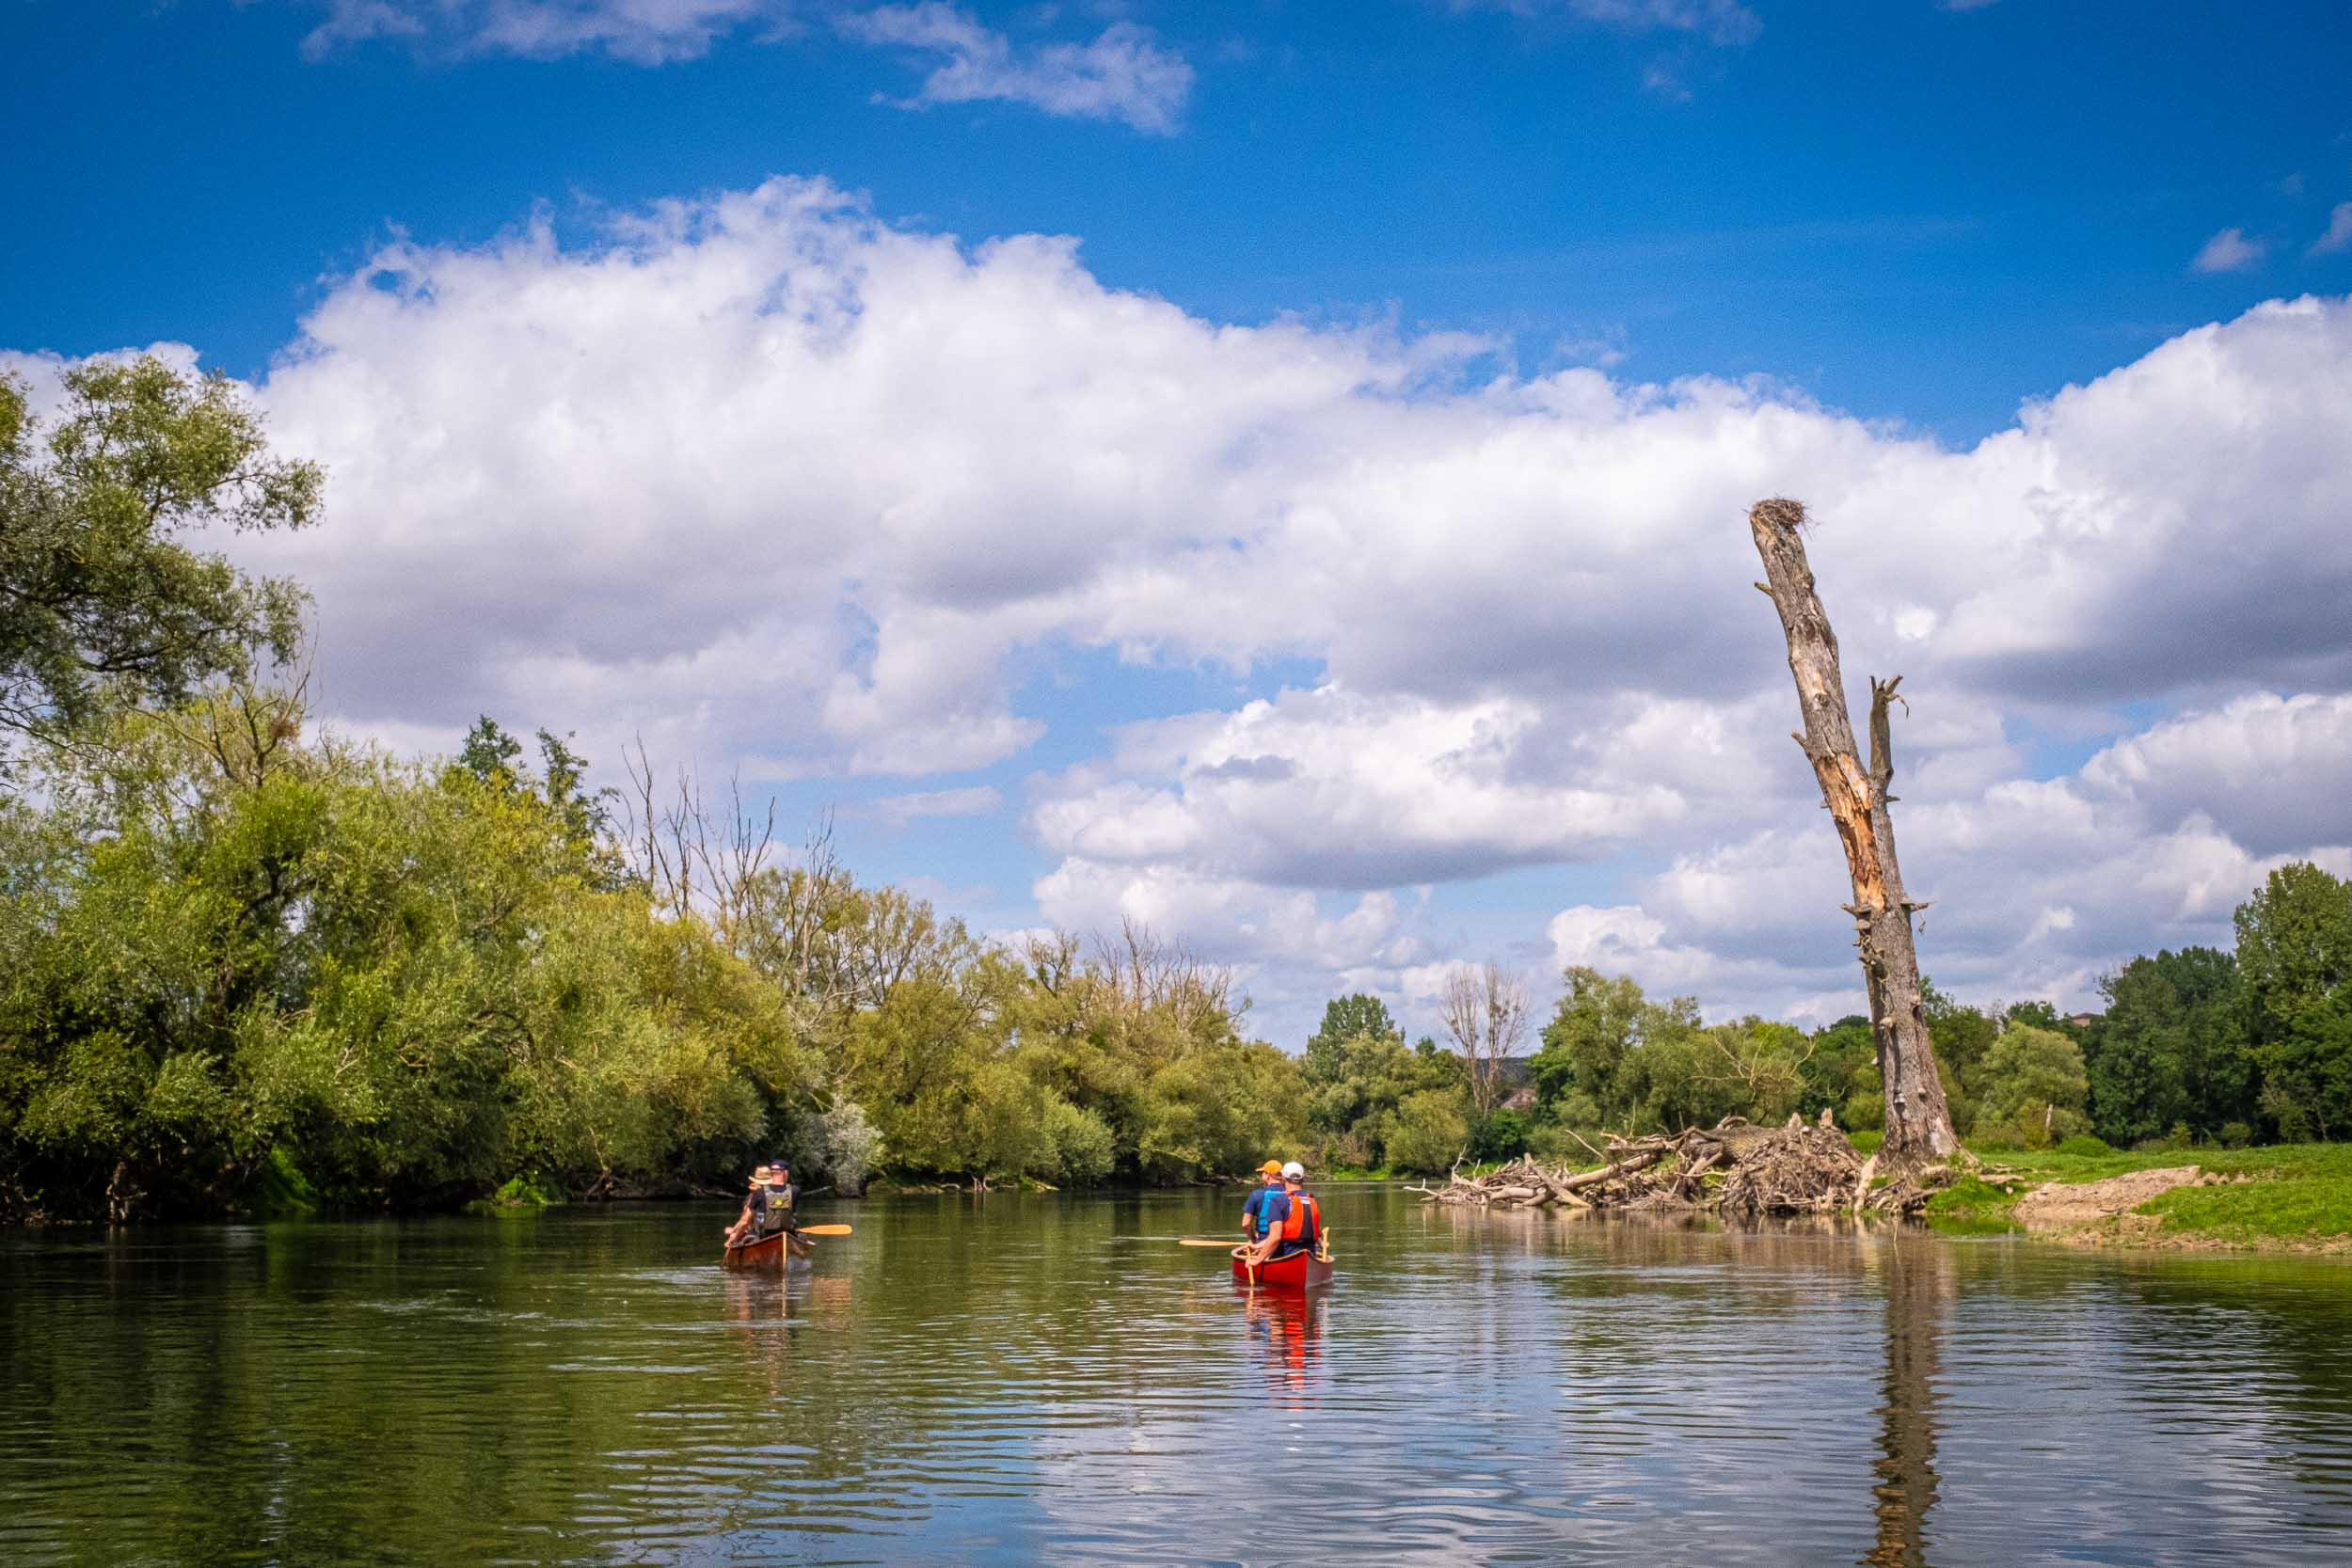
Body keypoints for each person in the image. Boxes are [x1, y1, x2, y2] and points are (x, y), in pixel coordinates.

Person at [1248, 1162, 1321, 1265]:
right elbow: (1315, 1234)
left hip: (1286, 1255)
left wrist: (1257, 1260)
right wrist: (1257, 1246)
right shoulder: (1311, 1200)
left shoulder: (1278, 1201)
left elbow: (1275, 1237)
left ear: (1283, 1178)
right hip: (1310, 1254)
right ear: (1302, 1179)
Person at [723, 1164, 772, 1246]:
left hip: (760, 1234)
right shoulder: (782, 1193)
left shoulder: (755, 1195)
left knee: (732, 1235)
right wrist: (734, 1230)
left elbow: (744, 1221)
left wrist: (732, 1239)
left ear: (756, 1181)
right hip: (778, 1231)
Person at [1240, 1159, 1284, 1243]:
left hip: (1263, 1240)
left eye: (1263, 1172)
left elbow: (1245, 1224)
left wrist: (1253, 1239)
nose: (1261, 1175)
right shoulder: (1290, 1194)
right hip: (1286, 1242)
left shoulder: (1256, 1195)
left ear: (1268, 1175)